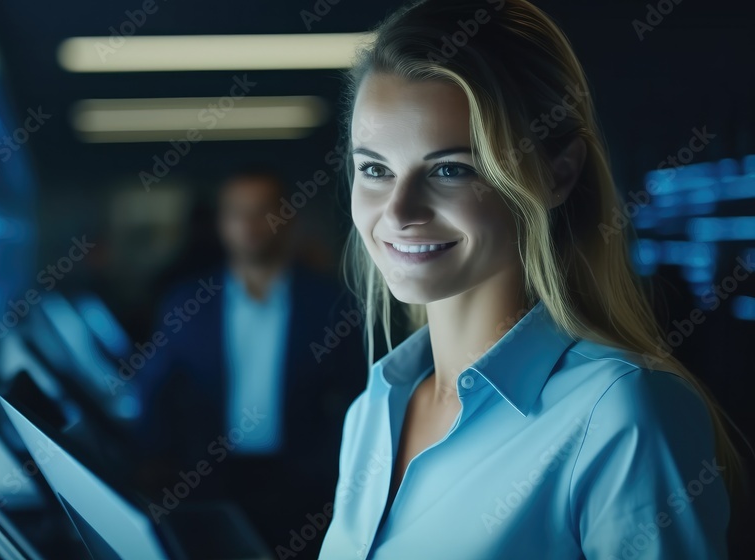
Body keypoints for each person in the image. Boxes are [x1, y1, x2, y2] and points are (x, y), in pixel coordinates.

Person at [319, 0, 748, 558]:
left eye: (451, 169)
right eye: (375, 169)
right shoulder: (372, 411)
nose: (399, 212)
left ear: (557, 174)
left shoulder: (621, 414)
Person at [134, 165, 366, 555]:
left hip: (304, 485)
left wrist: (336, 468)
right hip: (209, 481)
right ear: (222, 223)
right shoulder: (188, 302)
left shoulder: (330, 303)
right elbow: (156, 387)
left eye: (262, 210)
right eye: (236, 212)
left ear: (287, 217)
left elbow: (358, 390)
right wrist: (152, 459)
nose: (249, 223)